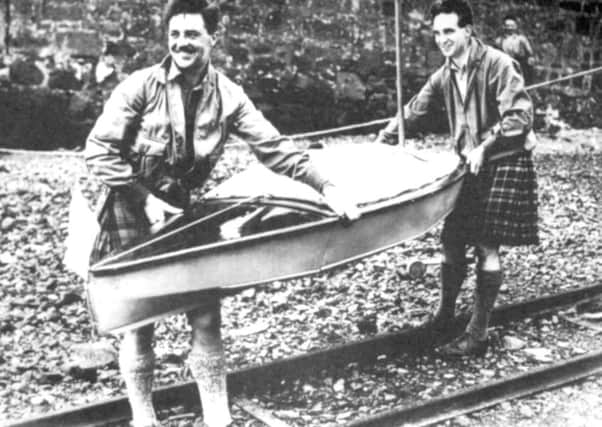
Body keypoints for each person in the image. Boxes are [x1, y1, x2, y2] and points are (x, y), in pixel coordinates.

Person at [84, 1, 359, 426]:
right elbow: (98, 152)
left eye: (192, 34)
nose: (181, 43)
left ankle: (218, 418)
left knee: (206, 313)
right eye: (175, 35)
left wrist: (328, 186)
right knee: (139, 320)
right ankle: (144, 419)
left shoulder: (229, 96)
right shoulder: (140, 86)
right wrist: (145, 198)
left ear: (213, 37)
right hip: (129, 202)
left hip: (183, 209)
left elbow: (275, 148)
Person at [376, 0, 538, 357]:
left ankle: (477, 335)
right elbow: (415, 108)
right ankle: (445, 318)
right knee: (451, 239)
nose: (442, 39)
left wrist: (486, 145)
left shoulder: (498, 63)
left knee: (485, 244)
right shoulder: (446, 73)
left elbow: (521, 116)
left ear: (468, 30)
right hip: (469, 165)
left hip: (503, 160)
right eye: (437, 33)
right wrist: (385, 137)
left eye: (449, 31)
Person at [495, 15, 535, 84]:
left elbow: (529, 52)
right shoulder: (499, 40)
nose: (510, 28)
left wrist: (530, 58)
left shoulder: (521, 39)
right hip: (505, 64)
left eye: (512, 26)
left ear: (516, 26)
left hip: (520, 64)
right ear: (503, 27)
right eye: (507, 26)